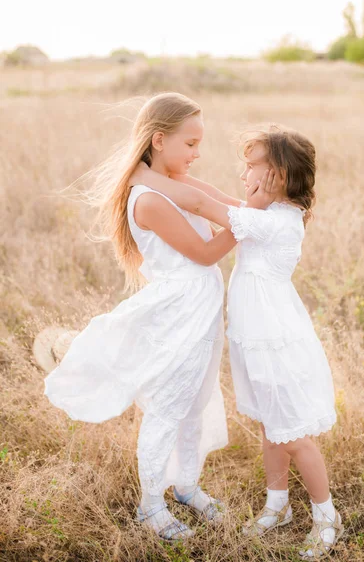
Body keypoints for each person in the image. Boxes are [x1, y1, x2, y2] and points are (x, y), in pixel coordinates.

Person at [43, 93, 270, 541]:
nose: (197, 153)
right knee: (169, 406)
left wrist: (263, 211)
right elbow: (205, 253)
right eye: (190, 144)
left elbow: (225, 204)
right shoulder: (148, 199)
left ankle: (185, 484)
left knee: (195, 402)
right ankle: (150, 506)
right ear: (159, 140)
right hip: (179, 312)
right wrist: (249, 221)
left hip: (202, 311)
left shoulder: (174, 181)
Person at [132, 124, 343, 559]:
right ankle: (277, 505)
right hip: (254, 336)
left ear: (278, 177)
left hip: (276, 338)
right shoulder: (263, 214)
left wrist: (139, 177)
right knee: (271, 427)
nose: (243, 175)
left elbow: (205, 203)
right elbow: (206, 191)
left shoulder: (277, 221)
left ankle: (327, 515)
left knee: (295, 433)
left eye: (251, 167)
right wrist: (152, 174)